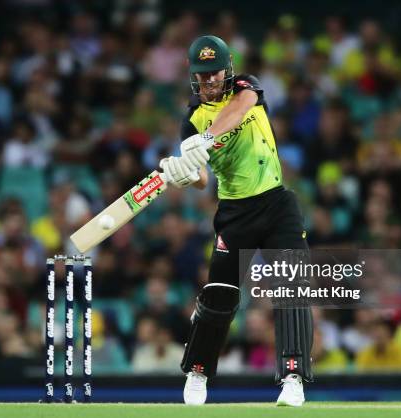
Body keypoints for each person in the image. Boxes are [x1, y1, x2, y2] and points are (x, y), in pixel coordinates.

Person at [160, 35, 313, 407]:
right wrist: (181, 171)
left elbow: (242, 108)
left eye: (214, 74)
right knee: (220, 297)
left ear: (227, 71)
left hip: (276, 203)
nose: (209, 82)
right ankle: (197, 373)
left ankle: (293, 378)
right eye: (202, 76)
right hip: (234, 213)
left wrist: (208, 138)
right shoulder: (192, 118)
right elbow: (199, 180)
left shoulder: (246, 87)